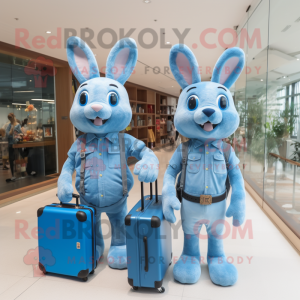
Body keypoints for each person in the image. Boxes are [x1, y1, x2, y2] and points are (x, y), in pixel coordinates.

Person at [5, 113, 22, 182]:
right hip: (11, 144)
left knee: (18, 158)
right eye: (9, 119)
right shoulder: (9, 126)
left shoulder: (17, 125)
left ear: (14, 117)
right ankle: (13, 174)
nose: (11, 120)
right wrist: (11, 132)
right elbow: (7, 135)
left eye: (11, 118)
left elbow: (20, 134)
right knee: (11, 159)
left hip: (16, 144)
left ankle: (19, 172)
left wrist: (16, 136)